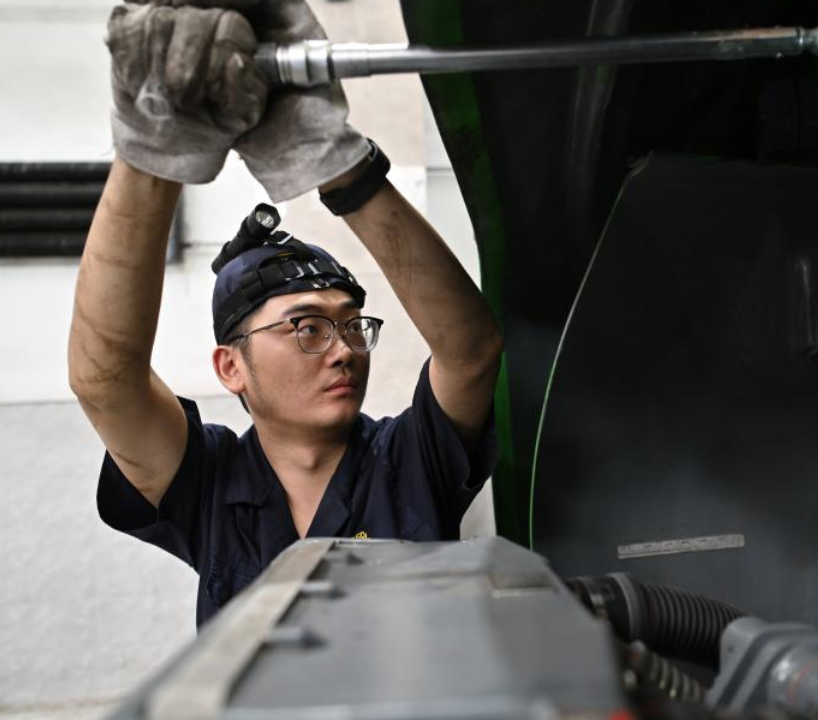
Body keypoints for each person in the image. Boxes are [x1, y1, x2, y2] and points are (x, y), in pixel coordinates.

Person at [68, 0, 502, 626]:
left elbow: (471, 349)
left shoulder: (406, 459)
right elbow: (104, 382)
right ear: (231, 367)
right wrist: (154, 146)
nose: (346, 348)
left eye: (353, 323)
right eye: (307, 329)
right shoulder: (208, 481)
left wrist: (333, 161)